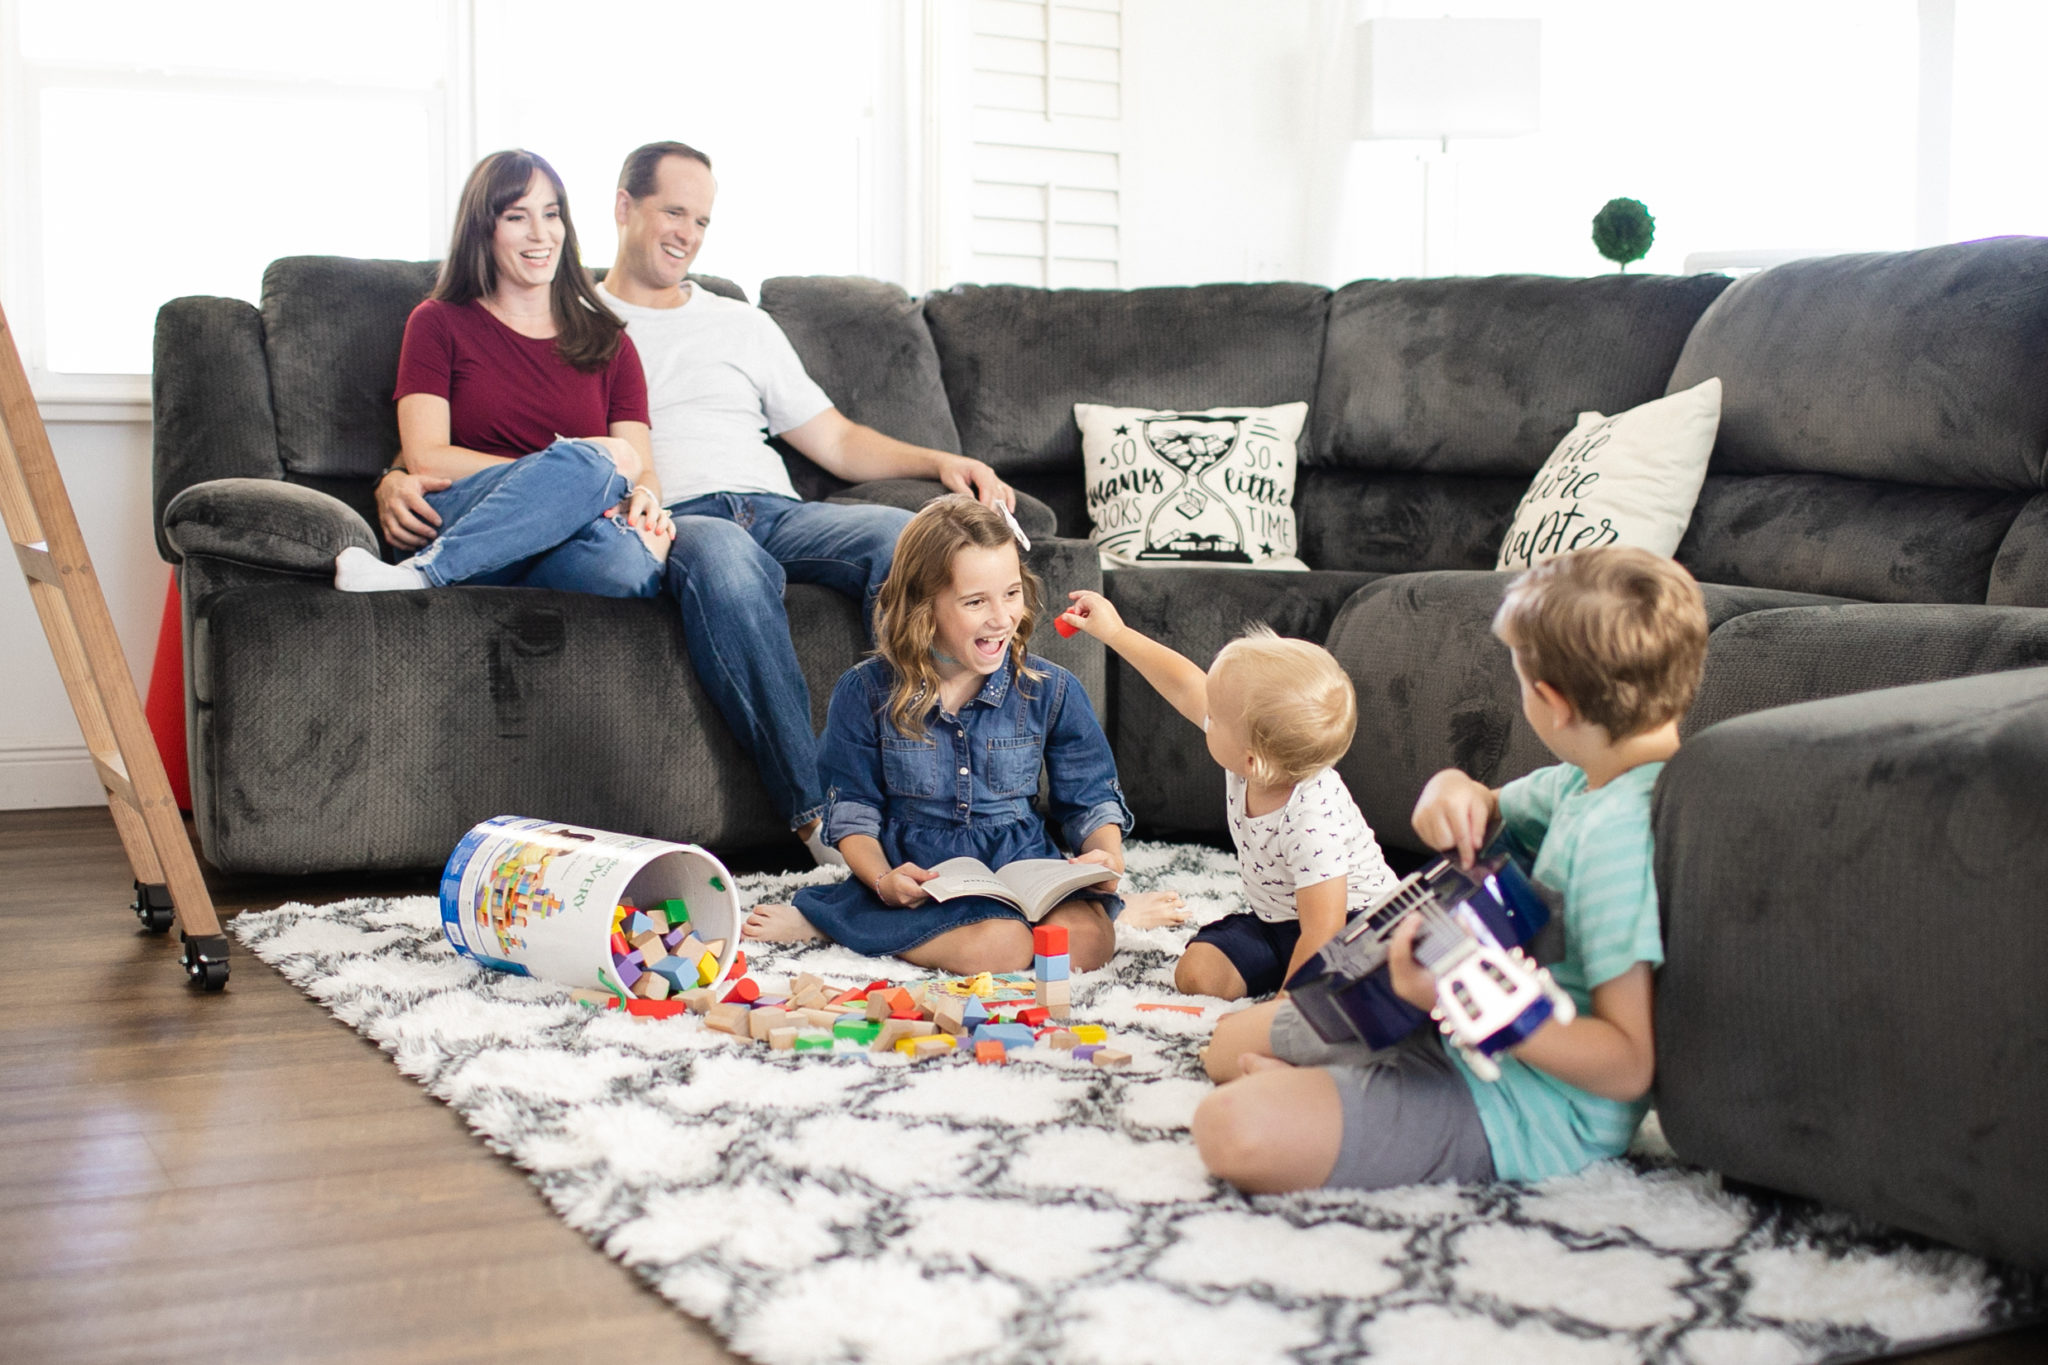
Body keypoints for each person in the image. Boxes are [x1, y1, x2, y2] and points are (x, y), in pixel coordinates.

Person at [375, 140, 1012, 867]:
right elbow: (473, 440)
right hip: (684, 520)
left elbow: (834, 441)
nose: (686, 233)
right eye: (672, 211)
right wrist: (393, 474)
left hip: (780, 506)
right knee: (727, 561)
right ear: (622, 208)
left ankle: (949, 797)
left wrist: (939, 461)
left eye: (702, 220)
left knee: (906, 539)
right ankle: (820, 817)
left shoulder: (727, 322)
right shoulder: (570, 308)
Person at [1191, 546, 1709, 1194]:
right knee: (1224, 1042)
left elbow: (1629, 1066)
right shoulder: (1591, 781)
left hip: (1526, 1103)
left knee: (1228, 1127)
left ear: (1552, 701)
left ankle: (1334, 1098)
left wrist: (1456, 998)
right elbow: (1489, 803)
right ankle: (1338, 1092)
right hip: (1454, 1026)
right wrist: (1453, 786)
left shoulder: (1619, 841)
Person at [739, 497, 1130, 974]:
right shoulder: (865, 691)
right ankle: (841, 923)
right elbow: (853, 812)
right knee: (1001, 948)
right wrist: (883, 880)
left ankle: (862, 928)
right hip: (923, 875)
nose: (1002, 618)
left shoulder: (1052, 690)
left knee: (1088, 943)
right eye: (975, 602)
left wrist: (1105, 857)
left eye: (1011, 593)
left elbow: (1090, 797)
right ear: (923, 606)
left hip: (1022, 864)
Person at [336, 148, 672, 595]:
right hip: (462, 513)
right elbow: (425, 458)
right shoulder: (437, 321)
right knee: (606, 461)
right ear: (484, 230)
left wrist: (644, 501)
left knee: (633, 558)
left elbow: (643, 472)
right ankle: (427, 568)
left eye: (551, 214)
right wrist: (564, 481)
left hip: (570, 539)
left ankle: (435, 574)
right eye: (517, 217)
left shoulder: (611, 342)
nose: (541, 233)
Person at [1056, 594, 1398, 997]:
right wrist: (1114, 632)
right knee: (1198, 974)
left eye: (1213, 716)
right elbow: (1184, 685)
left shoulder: (1311, 819)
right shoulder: (1256, 754)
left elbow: (1324, 933)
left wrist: (1282, 1017)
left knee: (1353, 991)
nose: (1205, 713)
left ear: (1251, 761)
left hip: (1354, 928)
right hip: (1279, 921)